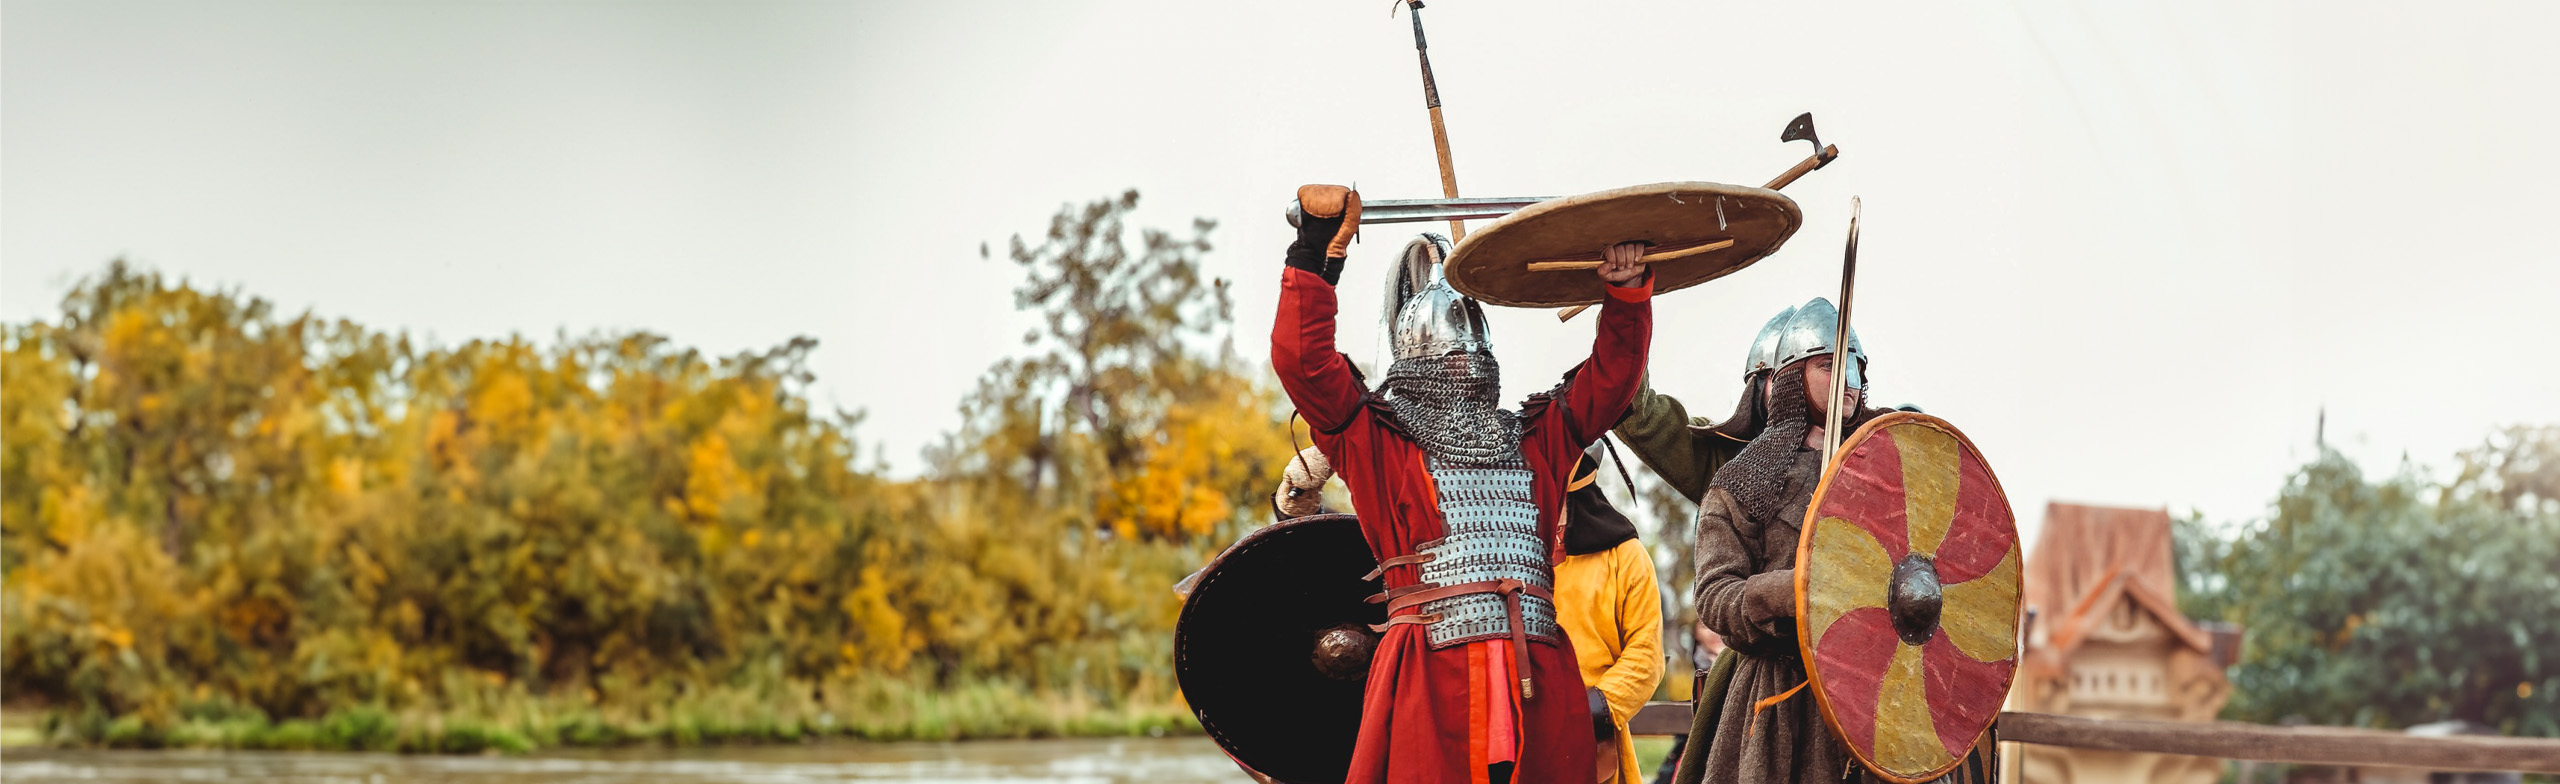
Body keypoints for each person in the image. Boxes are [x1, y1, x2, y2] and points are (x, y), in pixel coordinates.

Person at [1271, 184, 1653, 784]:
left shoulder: (1535, 437)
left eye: (1474, 345)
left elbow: (1611, 381)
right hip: (1430, 676)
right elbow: (1304, 363)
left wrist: (1625, 296)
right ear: (1414, 359)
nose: (1466, 358)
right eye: (1452, 350)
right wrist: (1314, 257)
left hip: (1537, 679)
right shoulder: (1380, 442)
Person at [1672, 298, 1894, 784]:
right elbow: (1714, 595)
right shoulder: (1744, 479)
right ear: (1792, 377)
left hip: (1877, 690)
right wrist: (1792, 589)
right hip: (1780, 693)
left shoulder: (1888, 463)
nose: (1846, 380)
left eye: (1853, 365)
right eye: (1826, 365)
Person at [1551, 445, 1665, 784]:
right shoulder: (1509, 554)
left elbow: (1646, 656)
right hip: (1518, 736)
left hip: (1594, 741)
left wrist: (1591, 708)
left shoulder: (1626, 556)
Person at [1650, 623, 1722, 784]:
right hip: (1687, 740)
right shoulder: (1686, 664)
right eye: (1705, 627)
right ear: (1695, 633)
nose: (1713, 632)